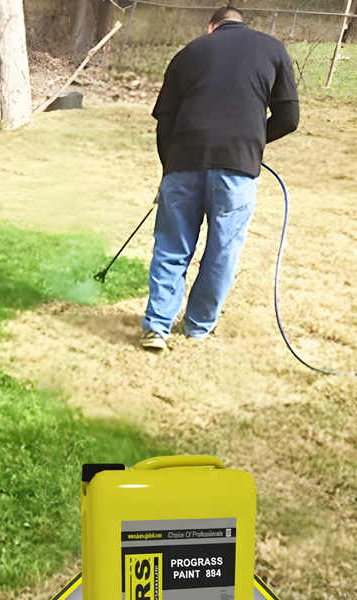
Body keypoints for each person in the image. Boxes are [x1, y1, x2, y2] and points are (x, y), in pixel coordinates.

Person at [141, 5, 299, 351]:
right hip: (237, 168)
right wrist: (250, 144)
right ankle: (198, 327)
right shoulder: (273, 49)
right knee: (222, 251)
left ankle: (157, 327)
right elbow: (289, 118)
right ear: (242, 24)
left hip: (184, 162)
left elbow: (165, 121)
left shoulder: (189, 52)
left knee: (171, 247)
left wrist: (169, 171)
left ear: (211, 27)